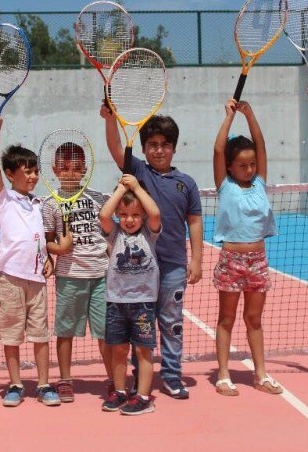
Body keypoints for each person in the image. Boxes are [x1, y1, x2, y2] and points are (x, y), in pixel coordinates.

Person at [102, 106, 203, 399]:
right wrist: (111, 120)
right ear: (144, 149)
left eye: (165, 145)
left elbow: (194, 222)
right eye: (153, 145)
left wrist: (196, 259)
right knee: (138, 325)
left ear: (173, 147)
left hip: (172, 265)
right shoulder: (138, 171)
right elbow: (114, 145)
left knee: (171, 323)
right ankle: (139, 377)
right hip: (139, 268)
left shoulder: (187, 184)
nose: (159, 150)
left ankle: (171, 376)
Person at [211, 98, 282, 396]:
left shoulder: (260, 184)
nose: (250, 168)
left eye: (252, 164)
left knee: (254, 319)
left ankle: (260, 374)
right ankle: (224, 375)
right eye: (242, 165)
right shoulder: (224, 185)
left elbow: (262, 147)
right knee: (226, 318)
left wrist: (250, 114)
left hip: (258, 260)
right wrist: (229, 117)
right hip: (231, 259)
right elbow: (217, 149)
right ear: (229, 166)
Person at [0, 114, 58, 407]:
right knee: (12, 335)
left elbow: (41, 237)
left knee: (41, 335)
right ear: (10, 173)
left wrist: (50, 257)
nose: (32, 176)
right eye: (26, 171)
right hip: (11, 279)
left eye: (35, 171)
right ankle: (15, 384)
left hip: (37, 279)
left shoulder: (39, 204)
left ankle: (43, 384)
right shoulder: (3, 198)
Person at [42, 141, 110, 402]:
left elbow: (108, 231)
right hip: (69, 277)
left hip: (100, 275)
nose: (70, 173)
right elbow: (47, 241)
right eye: (64, 168)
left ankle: (114, 379)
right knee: (65, 331)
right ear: (55, 170)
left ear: (85, 170)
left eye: (76, 168)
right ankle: (65, 379)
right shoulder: (49, 205)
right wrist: (58, 250)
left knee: (106, 333)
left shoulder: (98, 199)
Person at [98, 175, 162, 416]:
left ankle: (144, 396)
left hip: (143, 303)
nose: (129, 220)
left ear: (142, 216)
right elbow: (104, 215)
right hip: (116, 302)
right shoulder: (114, 233)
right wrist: (121, 190)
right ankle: (120, 391)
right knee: (118, 350)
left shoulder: (149, 232)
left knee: (143, 351)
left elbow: (155, 213)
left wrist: (135, 187)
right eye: (123, 215)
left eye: (135, 214)